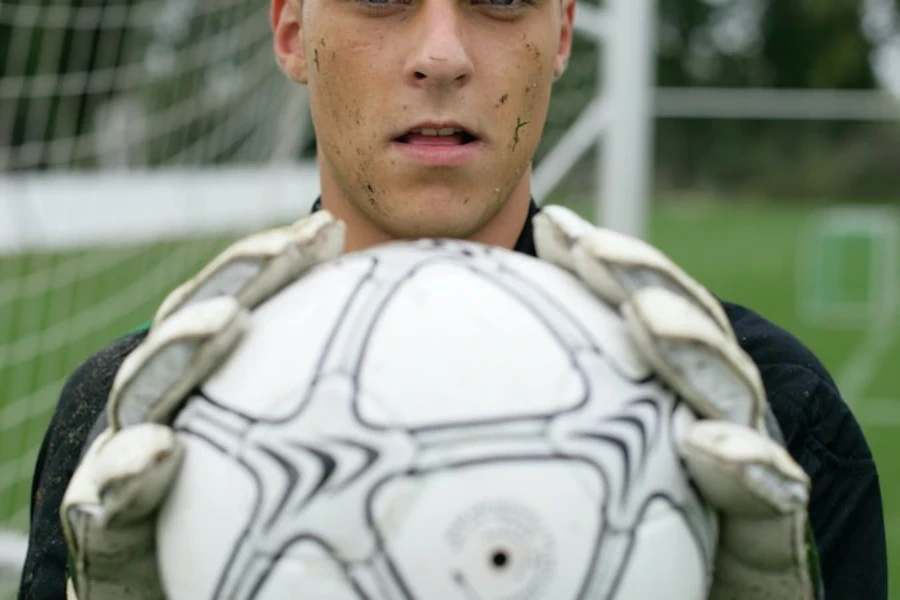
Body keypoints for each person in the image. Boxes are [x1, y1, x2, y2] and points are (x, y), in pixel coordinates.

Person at [18, 0, 887, 598]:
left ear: (561, 33)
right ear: (289, 31)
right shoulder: (137, 416)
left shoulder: (755, 407)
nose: (442, 55)